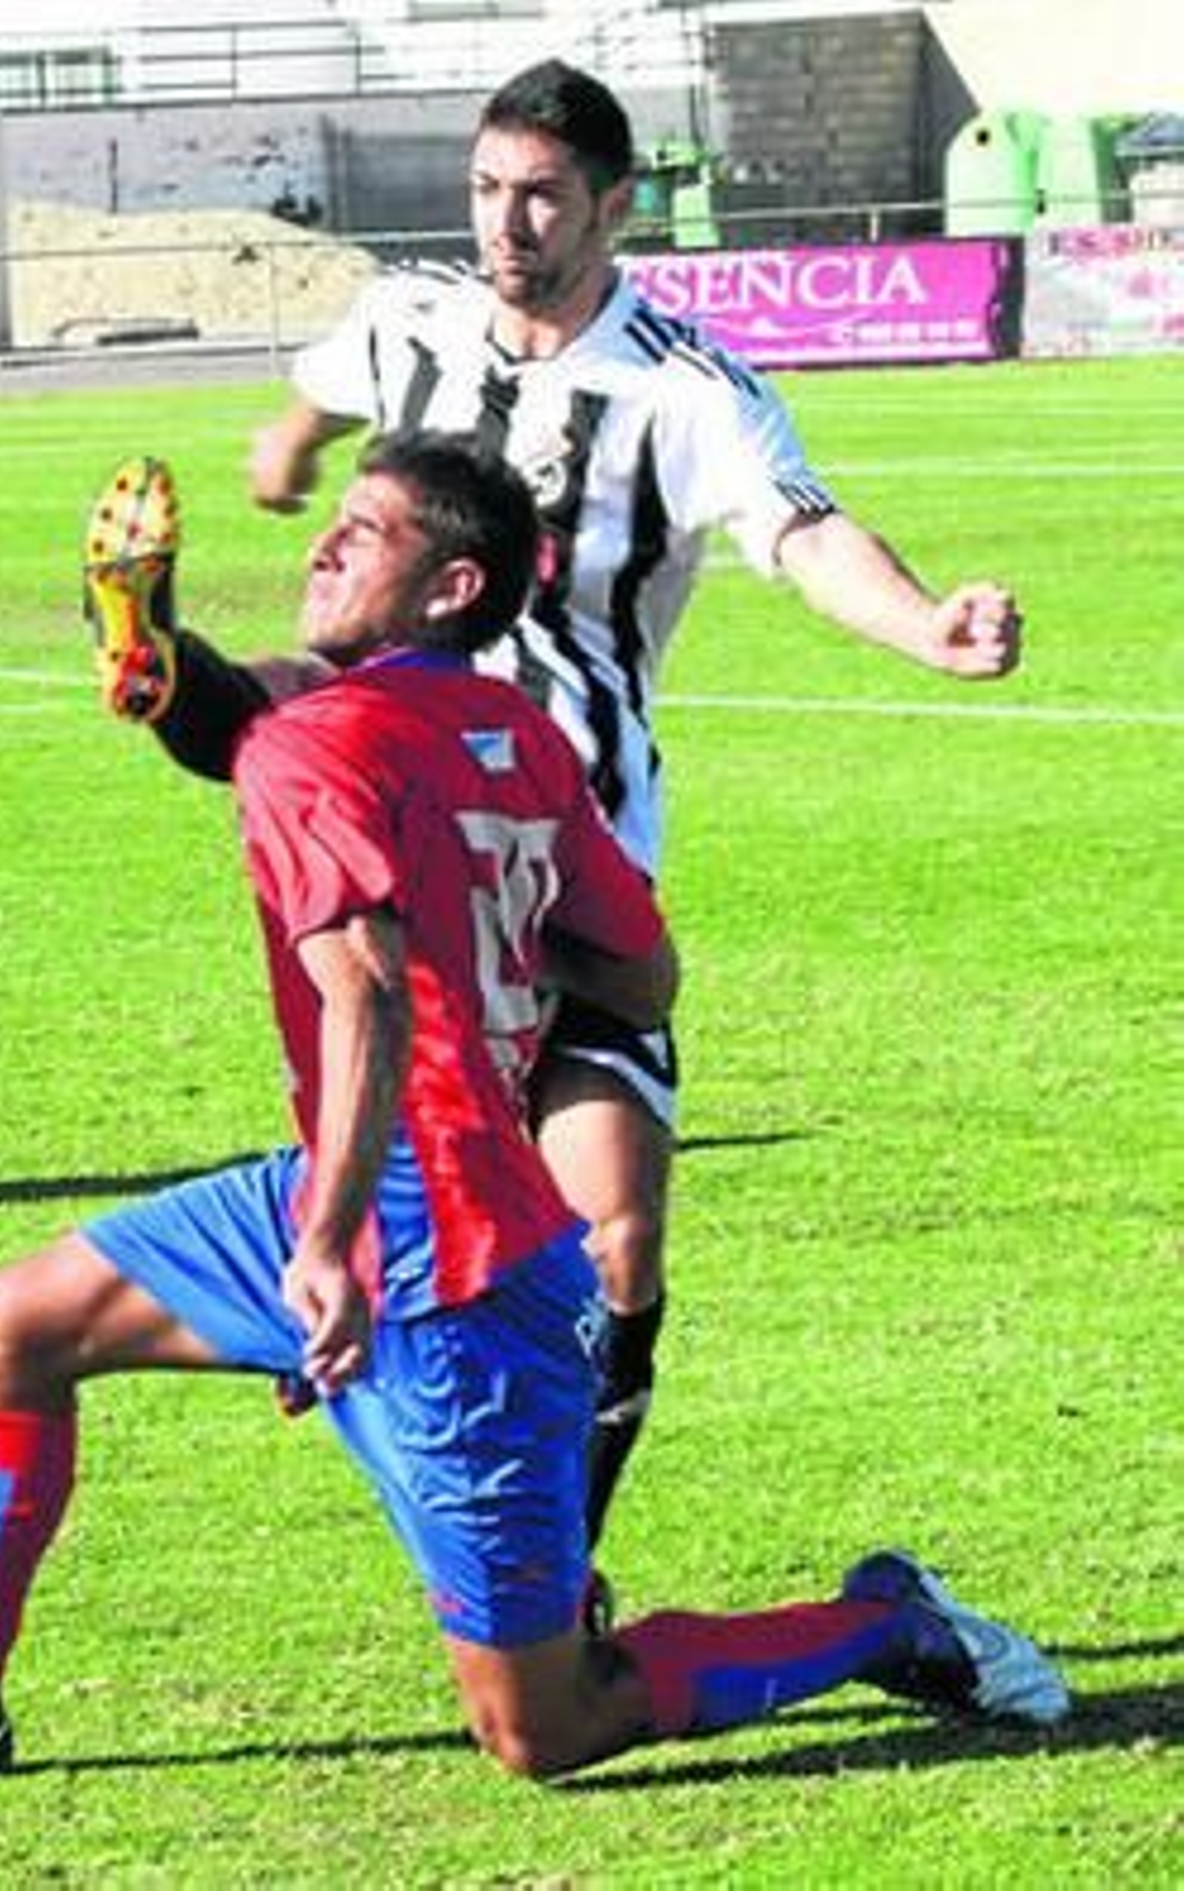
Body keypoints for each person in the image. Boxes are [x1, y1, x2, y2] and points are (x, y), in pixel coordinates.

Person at [0, 436, 1066, 1796]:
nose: (322, 543)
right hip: (379, 1180)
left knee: (544, 1729)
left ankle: (887, 1623)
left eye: (365, 531)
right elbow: (643, 976)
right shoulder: (519, 738)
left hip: (450, 1272)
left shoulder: (307, 743)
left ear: (452, 587)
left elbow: (365, 993)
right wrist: (484, 956)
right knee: (13, 1325)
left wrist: (326, 1247)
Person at [98, 59, 1027, 1586]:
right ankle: (163, 669)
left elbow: (802, 532)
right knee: (296, 703)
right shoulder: (411, 319)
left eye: (540, 196)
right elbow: (333, 377)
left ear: (613, 206)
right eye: (487, 190)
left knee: (616, 1239)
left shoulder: (683, 387)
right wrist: (293, 444)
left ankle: (557, 1568)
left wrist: (927, 625)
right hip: (409, 803)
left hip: (566, 845)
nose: (506, 224)